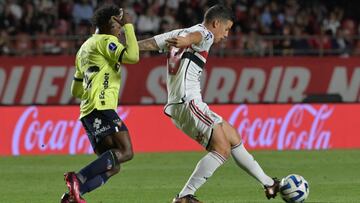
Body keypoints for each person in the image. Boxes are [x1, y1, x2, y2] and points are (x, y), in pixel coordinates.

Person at [138, 4, 279, 203]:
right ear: (216, 23)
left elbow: (152, 43)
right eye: (227, 29)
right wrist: (188, 40)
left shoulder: (179, 32)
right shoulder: (205, 34)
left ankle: (268, 182)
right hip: (188, 102)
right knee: (222, 149)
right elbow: (197, 37)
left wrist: (126, 47)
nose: (227, 35)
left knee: (232, 136)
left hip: (184, 103)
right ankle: (185, 196)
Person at [61, 4, 139, 203]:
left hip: (87, 111)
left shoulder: (84, 48)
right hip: (101, 107)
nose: (119, 28)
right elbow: (133, 56)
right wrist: (130, 27)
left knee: (114, 165)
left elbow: (75, 90)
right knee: (127, 152)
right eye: (117, 23)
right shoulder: (106, 41)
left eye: (121, 25)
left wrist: (95, 82)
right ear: (107, 24)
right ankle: (77, 178)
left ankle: (73, 197)